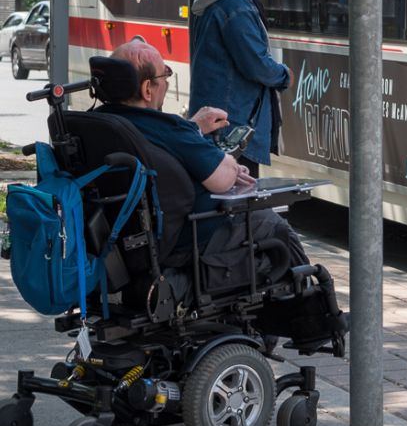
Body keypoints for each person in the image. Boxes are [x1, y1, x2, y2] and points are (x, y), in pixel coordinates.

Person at [108, 41, 307, 268]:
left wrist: (193, 131)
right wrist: (229, 164)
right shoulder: (167, 127)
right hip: (186, 238)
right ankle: (317, 296)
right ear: (147, 89)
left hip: (122, 243)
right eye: (165, 75)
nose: (167, 83)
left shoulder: (100, 123)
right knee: (274, 226)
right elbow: (223, 179)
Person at [188, 0, 291, 178]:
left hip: (219, 120)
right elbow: (254, 62)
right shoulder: (235, 4)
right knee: (239, 202)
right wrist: (283, 74)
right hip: (234, 126)